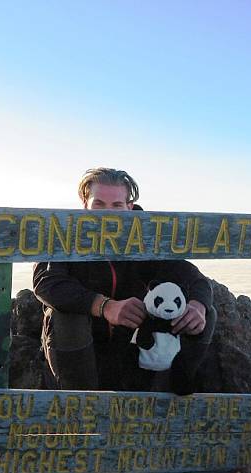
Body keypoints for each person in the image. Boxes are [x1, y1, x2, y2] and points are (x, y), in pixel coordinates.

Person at [32, 167, 216, 395]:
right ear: (85, 204)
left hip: (131, 345)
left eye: (116, 206)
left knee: (206, 312)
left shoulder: (149, 237)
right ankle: (80, 407)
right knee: (65, 315)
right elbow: (46, 282)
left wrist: (198, 305)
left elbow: (193, 278)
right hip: (79, 348)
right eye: (99, 204)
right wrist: (104, 306)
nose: (108, 214)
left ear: (129, 207)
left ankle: (174, 393)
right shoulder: (65, 233)